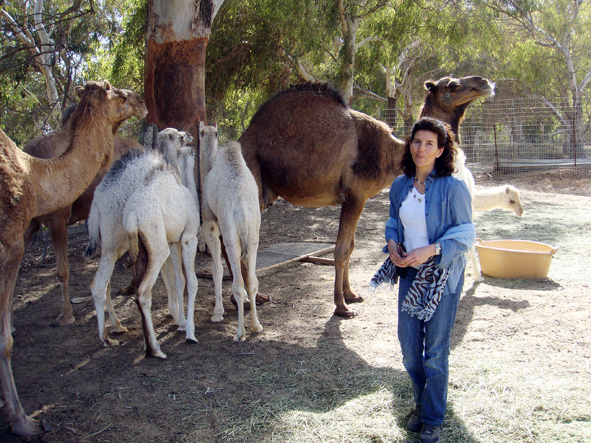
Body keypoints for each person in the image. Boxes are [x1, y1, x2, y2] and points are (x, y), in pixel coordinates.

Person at [384, 117, 475, 443]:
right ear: (410, 146)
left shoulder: (453, 187)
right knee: (410, 351)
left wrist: (431, 250)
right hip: (409, 275)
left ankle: (432, 417)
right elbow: (394, 220)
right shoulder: (400, 185)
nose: (421, 148)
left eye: (429, 144)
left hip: (442, 278)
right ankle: (424, 403)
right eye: (416, 142)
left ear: (440, 151)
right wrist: (393, 243)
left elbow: (466, 234)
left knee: (435, 353)